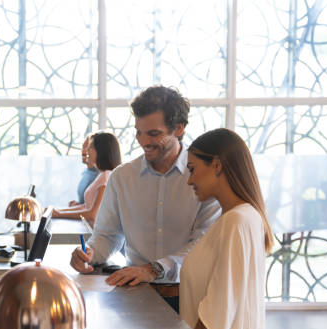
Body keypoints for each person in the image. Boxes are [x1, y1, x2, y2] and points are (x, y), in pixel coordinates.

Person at [70, 86, 221, 303]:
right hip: (135, 292)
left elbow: (203, 244)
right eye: (139, 132)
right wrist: (89, 255)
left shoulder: (205, 175)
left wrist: (154, 269)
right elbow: (107, 235)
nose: (143, 141)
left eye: (153, 134)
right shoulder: (122, 177)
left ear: (178, 128)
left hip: (192, 294)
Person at [181, 128, 271, 329]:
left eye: (193, 169)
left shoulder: (237, 221)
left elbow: (217, 312)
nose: (189, 180)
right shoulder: (237, 216)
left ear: (217, 165)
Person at [53, 132, 121, 226]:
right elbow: (86, 207)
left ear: (100, 150)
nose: (86, 150)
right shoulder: (103, 175)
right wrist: (57, 211)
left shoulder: (106, 177)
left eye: (90, 147)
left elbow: (92, 214)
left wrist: (58, 214)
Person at [69, 135, 100, 206]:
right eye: (83, 147)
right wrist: (78, 204)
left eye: (88, 148)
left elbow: (93, 209)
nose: (83, 152)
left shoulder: (101, 175)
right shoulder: (86, 172)